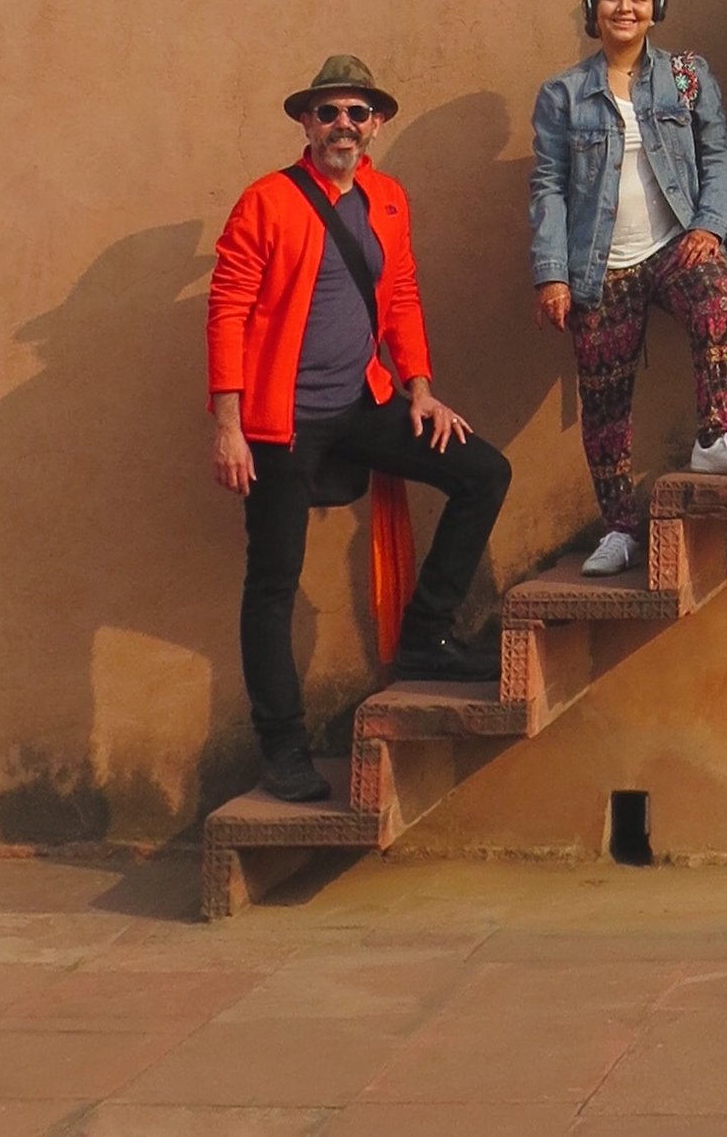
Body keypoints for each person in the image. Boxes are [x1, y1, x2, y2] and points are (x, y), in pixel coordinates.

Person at [206, 54, 511, 807]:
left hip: (364, 401)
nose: (343, 124)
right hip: (281, 422)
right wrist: (229, 424)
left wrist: (420, 388)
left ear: (376, 124)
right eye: (328, 112)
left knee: (483, 472)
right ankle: (282, 747)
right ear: (305, 123)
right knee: (275, 583)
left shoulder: (387, 197)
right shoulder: (266, 201)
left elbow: (400, 293)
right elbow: (229, 310)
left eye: (357, 112)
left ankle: (426, 636)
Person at [530, 0, 727, 581]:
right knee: (605, 401)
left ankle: (714, 438)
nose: (625, 8)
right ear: (593, 9)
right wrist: (552, 273)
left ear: (657, 5)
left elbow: (718, 151)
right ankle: (618, 529)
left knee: (718, 296)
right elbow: (548, 187)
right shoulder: (562, 94)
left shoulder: (686, 77)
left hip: (675, 244)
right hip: (598, 267)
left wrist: (708, 225)